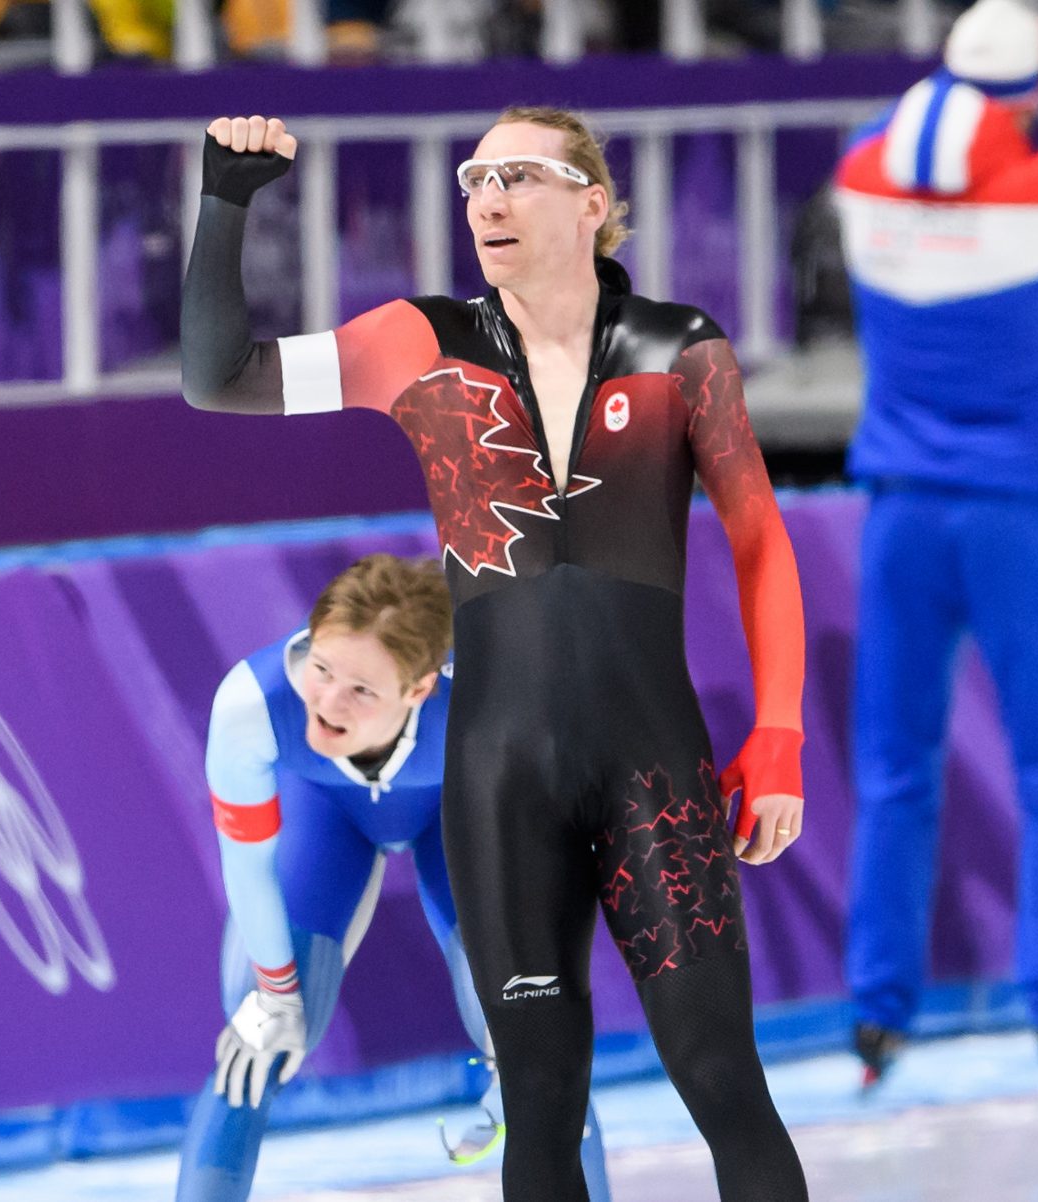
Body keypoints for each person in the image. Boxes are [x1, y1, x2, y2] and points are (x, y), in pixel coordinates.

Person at [181, 107, 809, 1201]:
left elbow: (759, 535)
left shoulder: (681, 347)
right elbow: (216, 378)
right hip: (500, 778)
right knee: (543, 1095)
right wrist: (224, 206)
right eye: (475, 179)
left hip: (650, 765)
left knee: (720, 1073)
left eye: (518, 175)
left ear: (592, 203)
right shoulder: (420, 343)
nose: (488, 198)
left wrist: (782, 729)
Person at [176, 553, 610, 1202]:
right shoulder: (253, 702)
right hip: (322, 817)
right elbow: (247, 864)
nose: (325, 702)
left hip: (459, 815)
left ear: (418, 690)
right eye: (320, 669)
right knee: (252, 1039)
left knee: (535, 1044)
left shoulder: (493, 707)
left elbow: (546, 862)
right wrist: (273, 992)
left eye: (361, 691)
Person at [833, 0, 1038, 1096]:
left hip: (901, 512)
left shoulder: (862, 176)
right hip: (1023, 509)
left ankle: (877, 1013)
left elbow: (910, 129)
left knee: (894, 769)